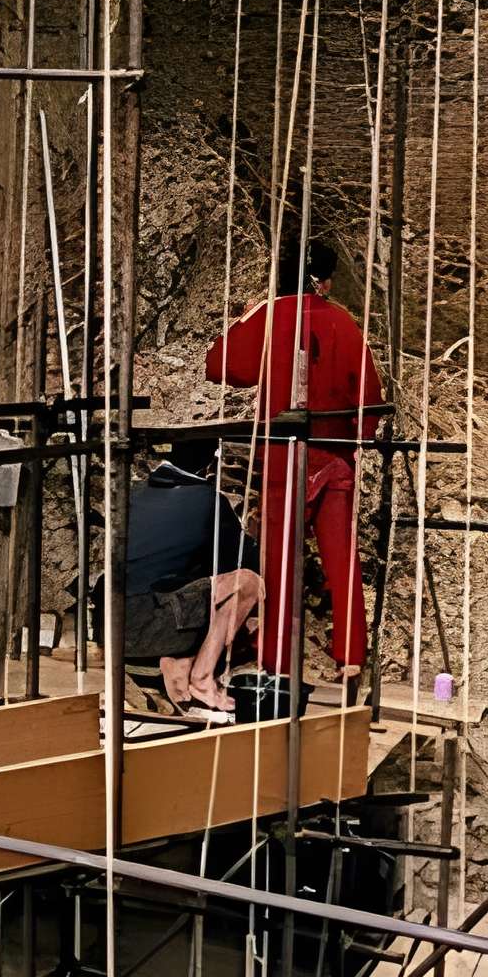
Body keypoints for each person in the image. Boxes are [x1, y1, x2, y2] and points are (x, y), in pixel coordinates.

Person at [203, 240, 388, 684]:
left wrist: (250, 314)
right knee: (341, 559)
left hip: (284, 453)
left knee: (280, 561)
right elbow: (371, 399)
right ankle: (351, 657)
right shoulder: (345, 322)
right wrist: (354, 442)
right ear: (323, 279)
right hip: (335, 454)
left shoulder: (268, 315)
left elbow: (218, 364)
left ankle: (277, 663)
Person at [121, 438, 263, 713]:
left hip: (114, 625)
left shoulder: (133, 493)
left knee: (184, 583)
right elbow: (246, 559)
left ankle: (177, 663)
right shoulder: (208, 499)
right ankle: (202, 678)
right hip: (154, 624)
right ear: (210, 462)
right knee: (247, 583)